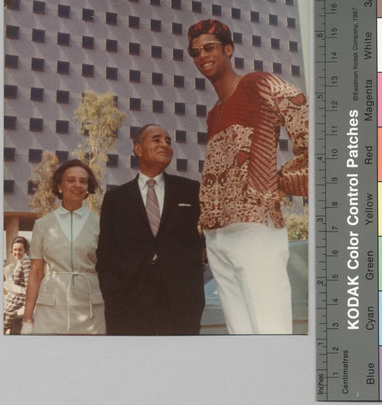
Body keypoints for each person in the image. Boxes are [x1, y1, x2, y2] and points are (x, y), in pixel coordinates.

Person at [187, 19, 308, 334]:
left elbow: (304, 114)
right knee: (240, 336)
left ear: (228, 49)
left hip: (255, 227)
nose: (202, 56)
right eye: (195, 52)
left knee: (270, 332)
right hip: (217, 236)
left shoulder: (257, 83)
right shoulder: (213, 113)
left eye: (209, 48)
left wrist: (283, 180)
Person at [96, 124, 204, 335]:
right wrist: (112, 294)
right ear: (138, 149)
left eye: (168, 141)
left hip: (181, 304)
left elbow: (211, 234)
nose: (165, 144)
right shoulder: (115, 199)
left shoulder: (191, 190)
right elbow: (105, 253)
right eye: (156, 140)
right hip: (128, 303)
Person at [22, 160, 106, 335]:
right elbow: (36, 272)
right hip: (51, 309)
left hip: (90, 308)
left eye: (83, 181)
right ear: (59, 185)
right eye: (71, 180)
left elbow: (107, 270)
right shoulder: (42, 225)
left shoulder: (100, 224)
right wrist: (27, 318)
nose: (77, 185)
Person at [4, 236, 31, 334]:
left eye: (20, 250)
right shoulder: (20, 262)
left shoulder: (27, 262)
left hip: (20, 300)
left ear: (25, 250)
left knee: (4, 324)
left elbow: (29, 285)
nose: (17, 252)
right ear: (12, 250)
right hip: (14, 298)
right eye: (15, 249)